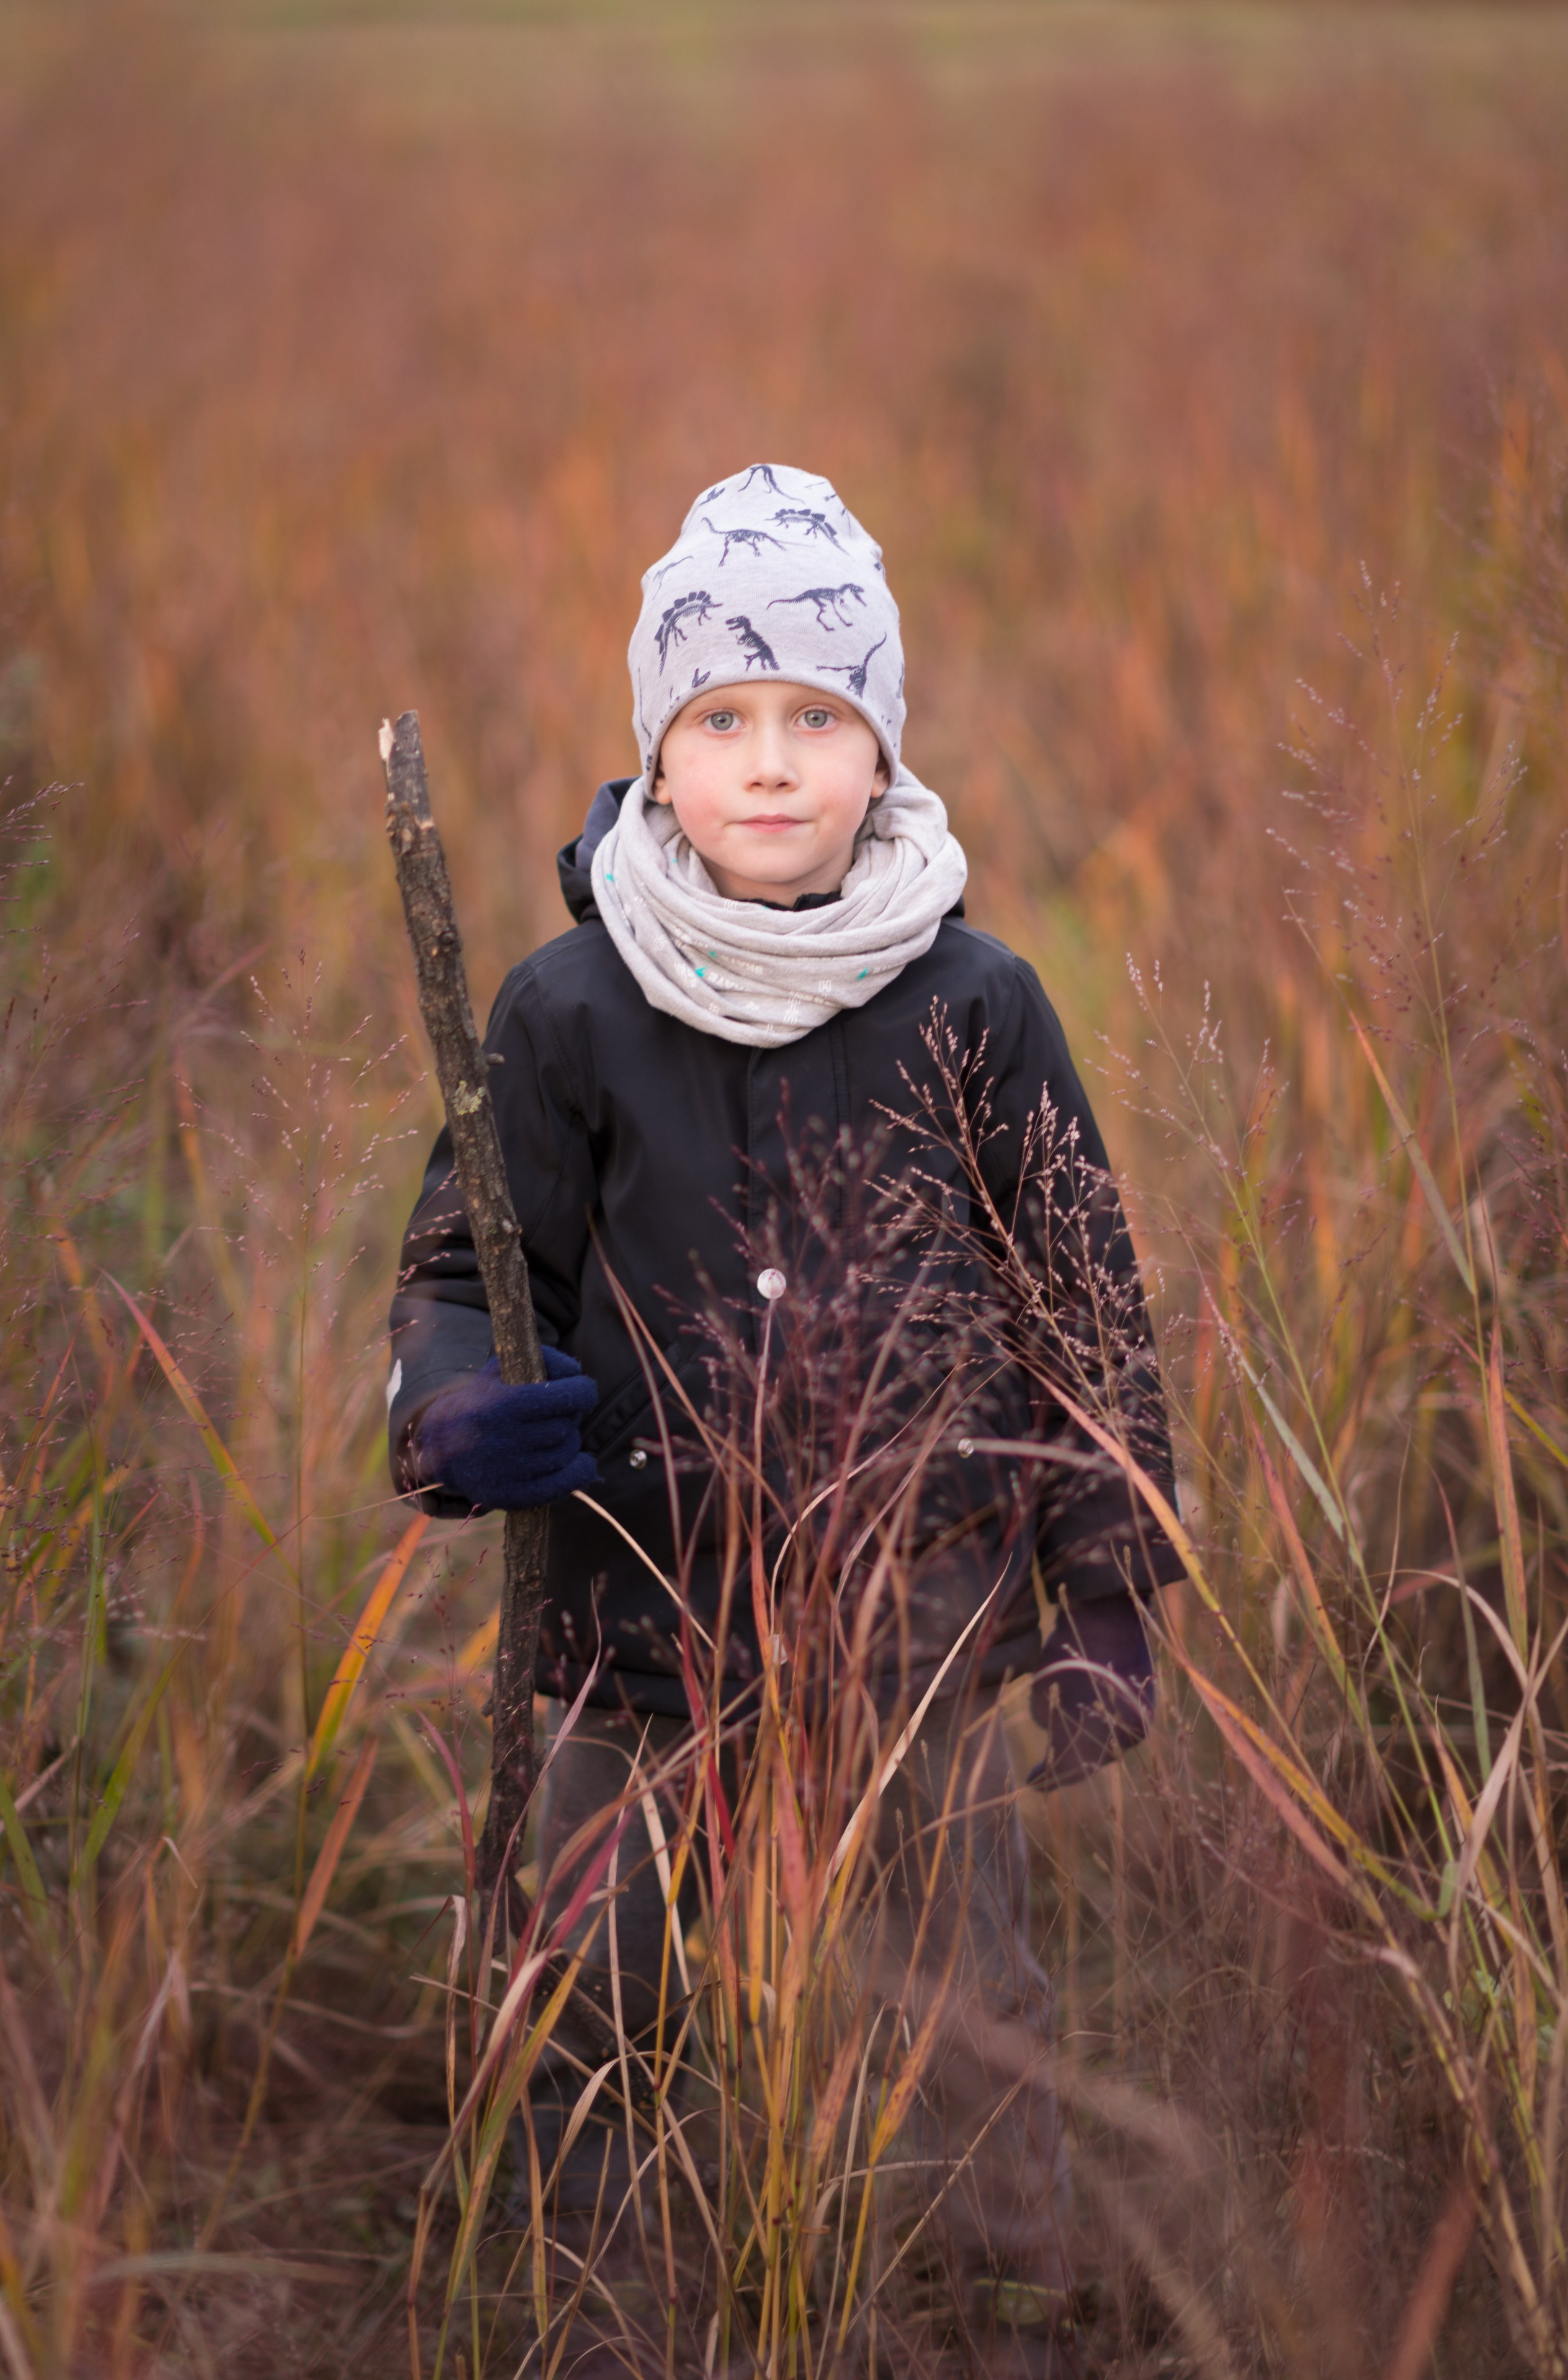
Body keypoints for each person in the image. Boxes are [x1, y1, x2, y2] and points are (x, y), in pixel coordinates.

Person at [386, 465, 1183, 2299]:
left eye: (817, 716)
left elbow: (1083, 1305)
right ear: (656, 752)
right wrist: (449, 1414)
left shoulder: (975, 1005)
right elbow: (459, 1271)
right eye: (720, 717)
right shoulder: (566, 1011)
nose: (768, 759)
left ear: (880, 749)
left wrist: (1108, 1591)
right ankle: (610, 2312)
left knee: (963, 2022)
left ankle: (980, 2309)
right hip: (634, 1632)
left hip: (917, 1642)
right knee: (603, 2006)